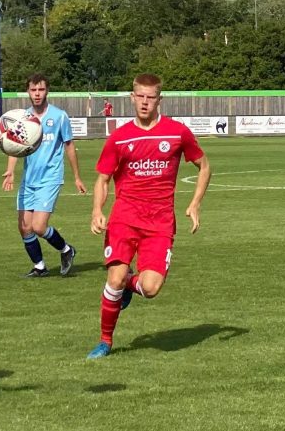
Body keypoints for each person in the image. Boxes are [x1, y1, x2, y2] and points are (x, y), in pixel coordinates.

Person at [87, 73, 211, 359]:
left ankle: (131, 283)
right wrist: (97, 210)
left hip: (160, 223)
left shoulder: (177, 133)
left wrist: (195, 203)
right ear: (132, 97)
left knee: (151, 288)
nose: (144, 102)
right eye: (139, 96)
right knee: (114, 279)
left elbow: (204, 166)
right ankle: (105, 341)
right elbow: (103, 179)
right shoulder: (119, 138)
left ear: (159, 99)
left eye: (150, 97)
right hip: (124, 219)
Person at [1, 73, 87, 278]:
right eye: (33, 90)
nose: (37, 94)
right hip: (29, 179)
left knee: (38, 226)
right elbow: (16, 146)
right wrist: (11, 171)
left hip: (50, 178)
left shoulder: (59, 116)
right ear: (28, 92)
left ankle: (66, 250)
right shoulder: (22, 118)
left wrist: (77, 177)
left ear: (47, 91)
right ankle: (39, 266)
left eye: (41, 90)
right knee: (24, 227)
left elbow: (69, 146)